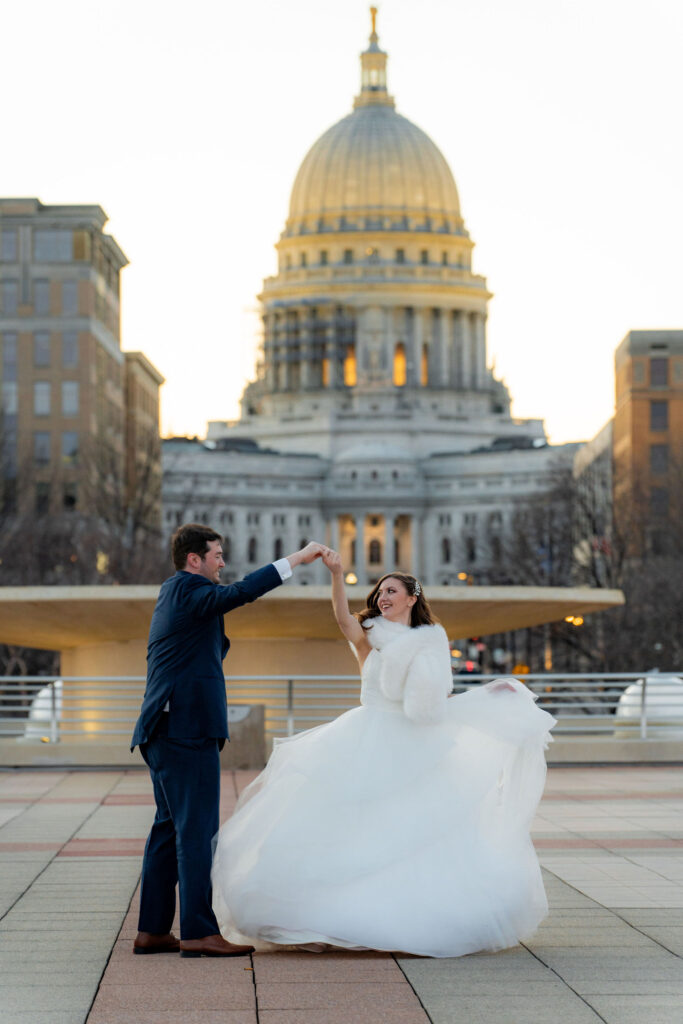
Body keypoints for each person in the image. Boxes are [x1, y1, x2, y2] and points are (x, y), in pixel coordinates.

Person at [212, 550, 556, 958]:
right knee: (338, 827)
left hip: (413, 744)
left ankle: (404, 916)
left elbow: (436, 703)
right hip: (364, 737)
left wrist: (490, 695)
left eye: (391, 591)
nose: (382, 598)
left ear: (412, 597)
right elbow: (343, 618)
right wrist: (338, 575)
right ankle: (311, 917)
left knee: (410, 830)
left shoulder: (429, 643)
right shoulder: (369, 635)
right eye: (379, 593)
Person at [131, 523, 324, 958]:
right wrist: (296, 559)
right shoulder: (187, 590)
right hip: (184, 731)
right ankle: (198, 931)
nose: (223, 561)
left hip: (167, 729)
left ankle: (154, 930)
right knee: (196, 832)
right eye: (217, 554)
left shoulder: (177, 595)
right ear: (194, 560)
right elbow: (239, 593)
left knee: (168, 829)